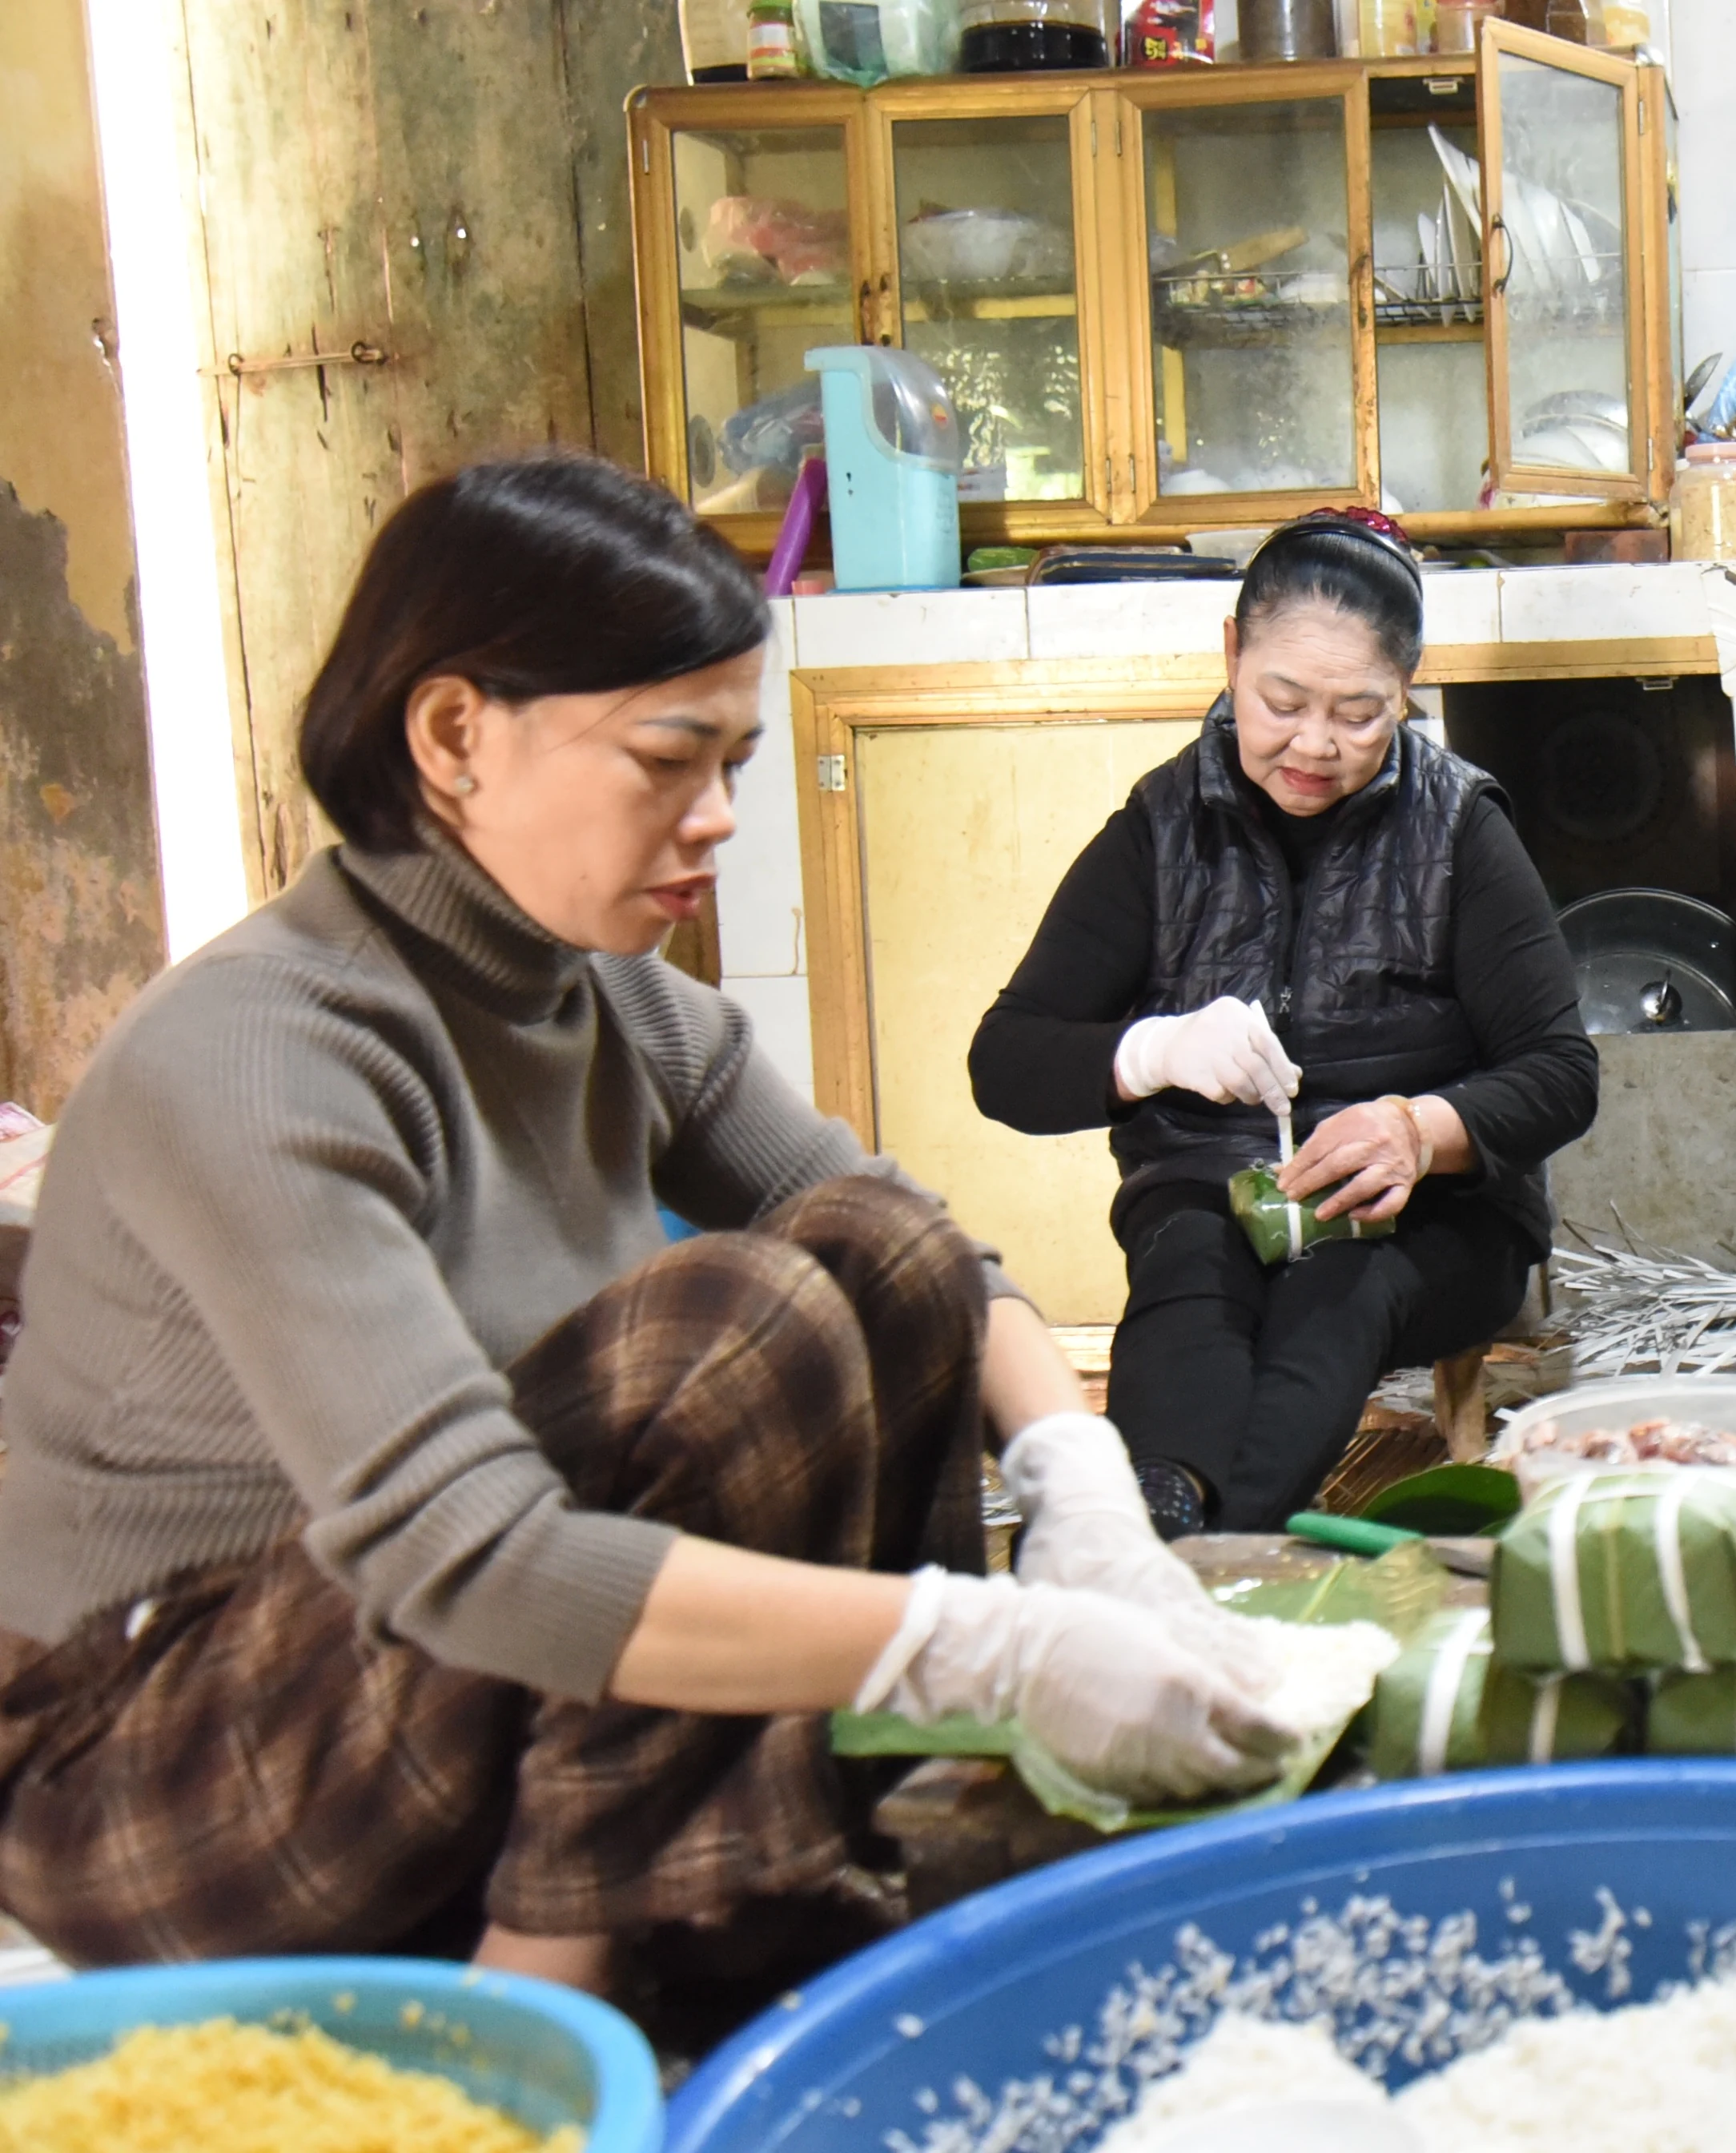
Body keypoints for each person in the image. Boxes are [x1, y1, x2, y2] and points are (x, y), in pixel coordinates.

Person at [0, 458, 1292, 2005]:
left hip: (417, 1692)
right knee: (731, 1333)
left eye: (738, 760)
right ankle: (555, 2006)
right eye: (669, 759)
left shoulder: (598, 991)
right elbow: (477, 1564)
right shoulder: (267, 1053)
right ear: (453, 734)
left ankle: (759, 1886)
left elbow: (923, 1255)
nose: (717, 821)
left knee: (869, 1256)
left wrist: (1078, 1494)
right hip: (157, 1755)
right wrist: (990, 1648)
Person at [971, 509, 1597, 1535]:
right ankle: (1171, 1511)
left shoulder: (1457, 827)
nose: (1314, 745)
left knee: (1338, 1285)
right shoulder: (1161, 828)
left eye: (1358, 713)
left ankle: (1170, 1550)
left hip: (1433, 1223)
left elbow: (1560, 1072)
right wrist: (1154, 1051)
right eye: (1282, 702)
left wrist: (1417, 1129)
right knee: (1189, 1270)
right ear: (1230, 654)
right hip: (1215, 1192)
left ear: (1407, 688)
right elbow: (1005, 1065)